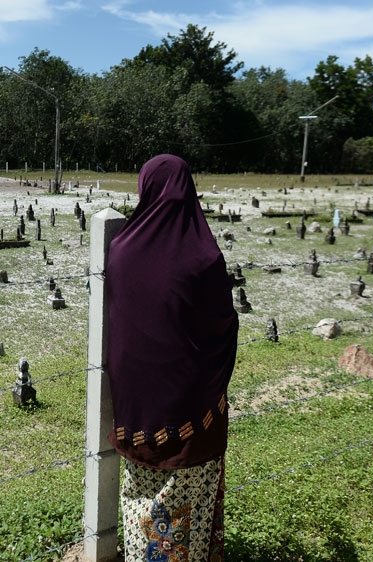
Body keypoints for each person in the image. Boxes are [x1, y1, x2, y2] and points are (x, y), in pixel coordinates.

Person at [105, 154, 239, 562]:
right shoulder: (204, 257)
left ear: (146, 188)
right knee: (188, 499)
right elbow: (224, 326)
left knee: (140, 493)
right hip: (191, 405)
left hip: (136, 405)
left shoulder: (121, 250)